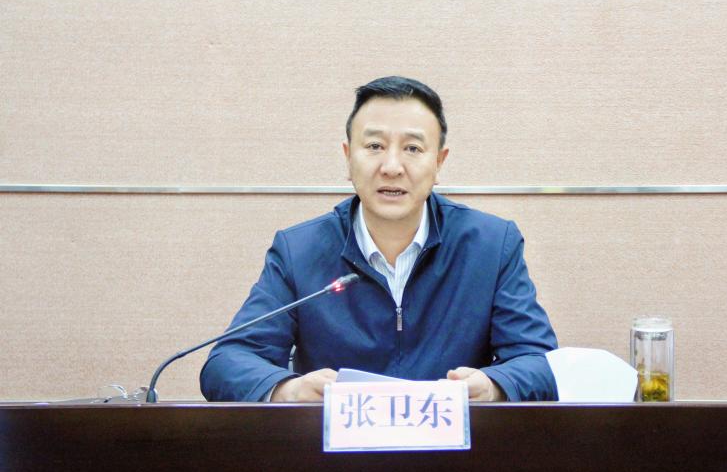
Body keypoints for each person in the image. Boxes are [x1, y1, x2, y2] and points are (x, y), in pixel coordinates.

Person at [200, 76, 558, 402]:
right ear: (348, 157)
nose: (391, 167)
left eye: (413, 149)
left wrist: (493, 386)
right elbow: (227, 363)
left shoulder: (491, 246)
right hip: (337, 450)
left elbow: (540, 363)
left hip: (454, 448)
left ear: (439, 162)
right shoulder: (300, 251)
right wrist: (288, 390)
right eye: (374, 146)